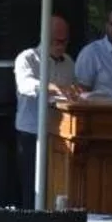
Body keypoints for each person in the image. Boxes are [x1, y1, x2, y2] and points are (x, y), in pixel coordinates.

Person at [10, 16, 79, 207]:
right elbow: (25, 85)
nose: (61, 45)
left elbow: (71, 89)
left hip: (58, 135)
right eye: (57, 41)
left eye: (65, 41)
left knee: (57, 187)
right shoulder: (28, 58)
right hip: (31, 133)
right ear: (45, 36)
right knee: (32, 188)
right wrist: (52, 87)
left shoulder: (68, 62)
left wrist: (75, 91)